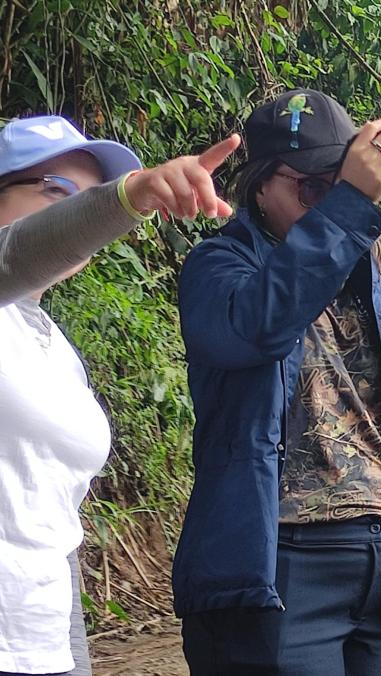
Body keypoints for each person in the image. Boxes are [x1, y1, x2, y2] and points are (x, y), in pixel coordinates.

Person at [173, 90, 381, 675]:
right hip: (282, 560)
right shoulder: (219, 269)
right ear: (261, 186)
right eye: (313, 188)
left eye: (340, 185)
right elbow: (257, 326)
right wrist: (350, 203)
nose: (332, 202)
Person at [0, 115, 238, 676]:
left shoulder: (54, 347)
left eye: (90, 198)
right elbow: (16, 254)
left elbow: (53, 527)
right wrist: (126, 198)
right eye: (56, 191)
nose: (75, 213)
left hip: (42, 641)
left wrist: (70, 652)